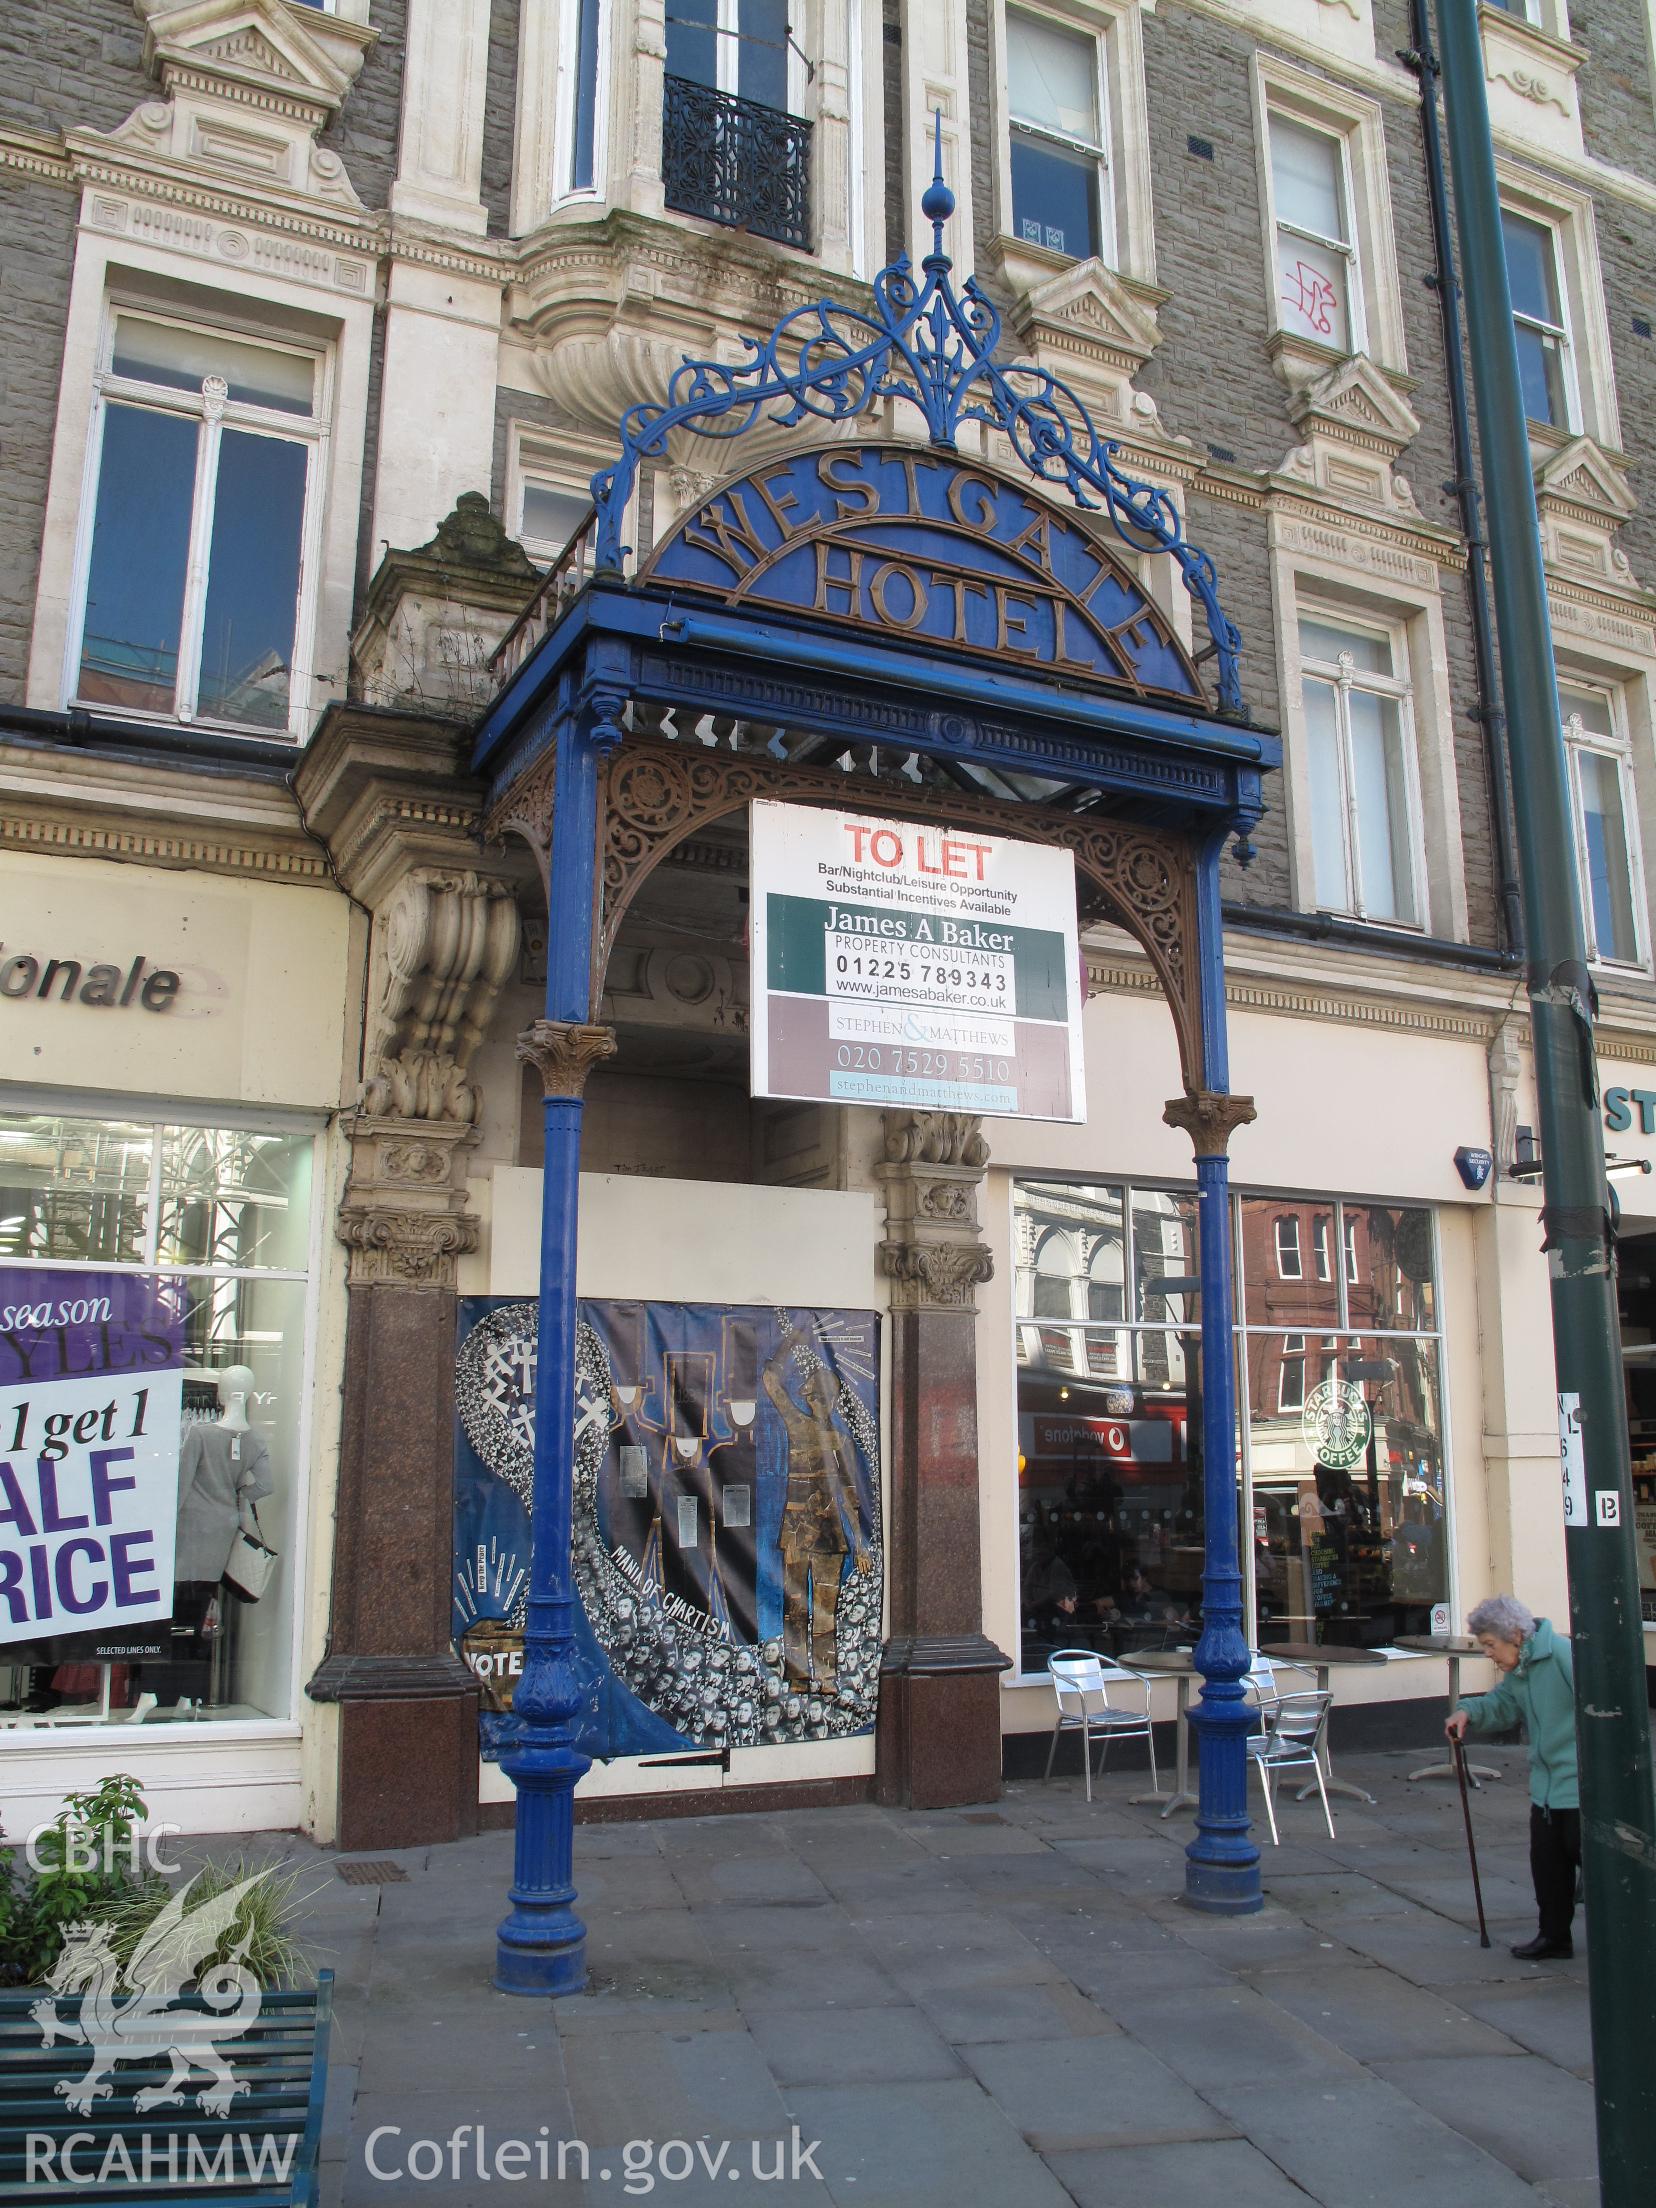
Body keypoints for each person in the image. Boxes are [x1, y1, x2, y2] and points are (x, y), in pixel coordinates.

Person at [1444, 1594, 1579, 1960]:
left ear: (1516, 1636)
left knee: (1593, 1868)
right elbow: (1501, 1705)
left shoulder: (1563, 1657)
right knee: (1548, 1869)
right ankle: (1554, 1938)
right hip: (1546, 1790)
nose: (1488, 1652)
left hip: (1581, 1787)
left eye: (1490, 1644)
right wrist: (1467, 1713)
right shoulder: (1520, 1670)